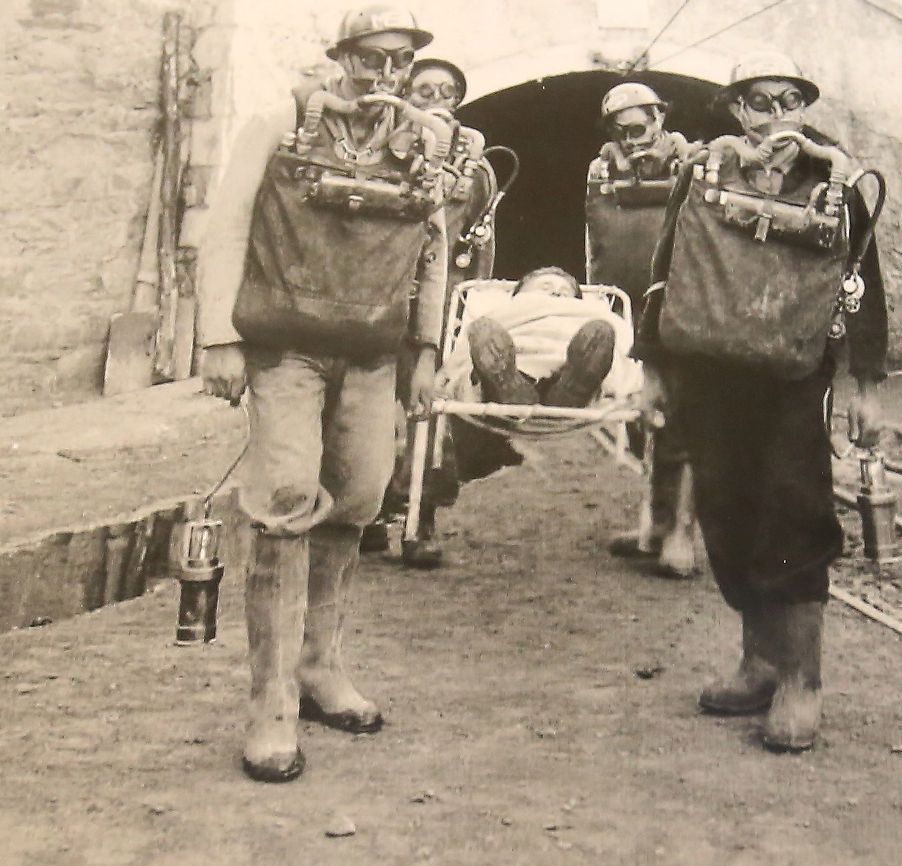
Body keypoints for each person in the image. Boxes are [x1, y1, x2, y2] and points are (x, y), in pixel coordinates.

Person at [198, 5, 446, 782]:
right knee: (283, 500)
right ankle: (269, 702)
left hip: (373, 353)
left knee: (359, 498)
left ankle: (319, 668)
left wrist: (430, 349)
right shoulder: (281, 120)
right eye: (372, 59)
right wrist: (218, 337)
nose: (386, 77)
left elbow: (434, 250)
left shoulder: (424, 141)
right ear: (341, 57)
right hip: (287, 348)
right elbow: (227, 224)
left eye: (401, 63)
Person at [637, 53, 889, 752]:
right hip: (712, 369)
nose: (775, 116)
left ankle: (801, 682)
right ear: (736, 110)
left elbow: (865, 285)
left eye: (788, 101)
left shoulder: (835, 178)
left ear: (805, 107)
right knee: (726, 507)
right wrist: (653, 367)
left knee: (793, 510)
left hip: (796, 372)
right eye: (758, 102)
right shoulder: (702, 171)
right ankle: (757, 660)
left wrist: (866, 386)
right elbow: (664, 270)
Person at [365, 55, 504, 568]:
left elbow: (480, 243)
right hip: (379, 294)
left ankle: (419, 519)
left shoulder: (476, 168)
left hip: (439, 302)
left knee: (429, 411)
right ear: (405, 94)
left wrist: (467, 305)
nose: (436, 103)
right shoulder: (382, 148)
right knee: (374, 407)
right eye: (424, 92)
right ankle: (370, 513)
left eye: (447, 93)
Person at [586, 82, 699, 578]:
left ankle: (683, 534)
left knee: (686, 421)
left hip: (683, 307)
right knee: (643, 421)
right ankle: (652, 524)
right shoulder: (602, 170)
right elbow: (593, 240)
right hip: (631, 308)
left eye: (640, 127)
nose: (632, 139)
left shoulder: (694, 163)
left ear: (660, 120)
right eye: (620, 129)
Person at [434, 267, 622, 409]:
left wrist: (621, 380)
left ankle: (572, 390)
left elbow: (621, 341)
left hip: (567, 370)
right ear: (519, 294)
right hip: (515, 364)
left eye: (565, 291)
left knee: (600, 332)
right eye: (545, 286)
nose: (555, 292)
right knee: (483, 329)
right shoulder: (512, 308)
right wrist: (449, 370)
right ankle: (509, 386)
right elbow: (468, 344)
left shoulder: (584, 312)